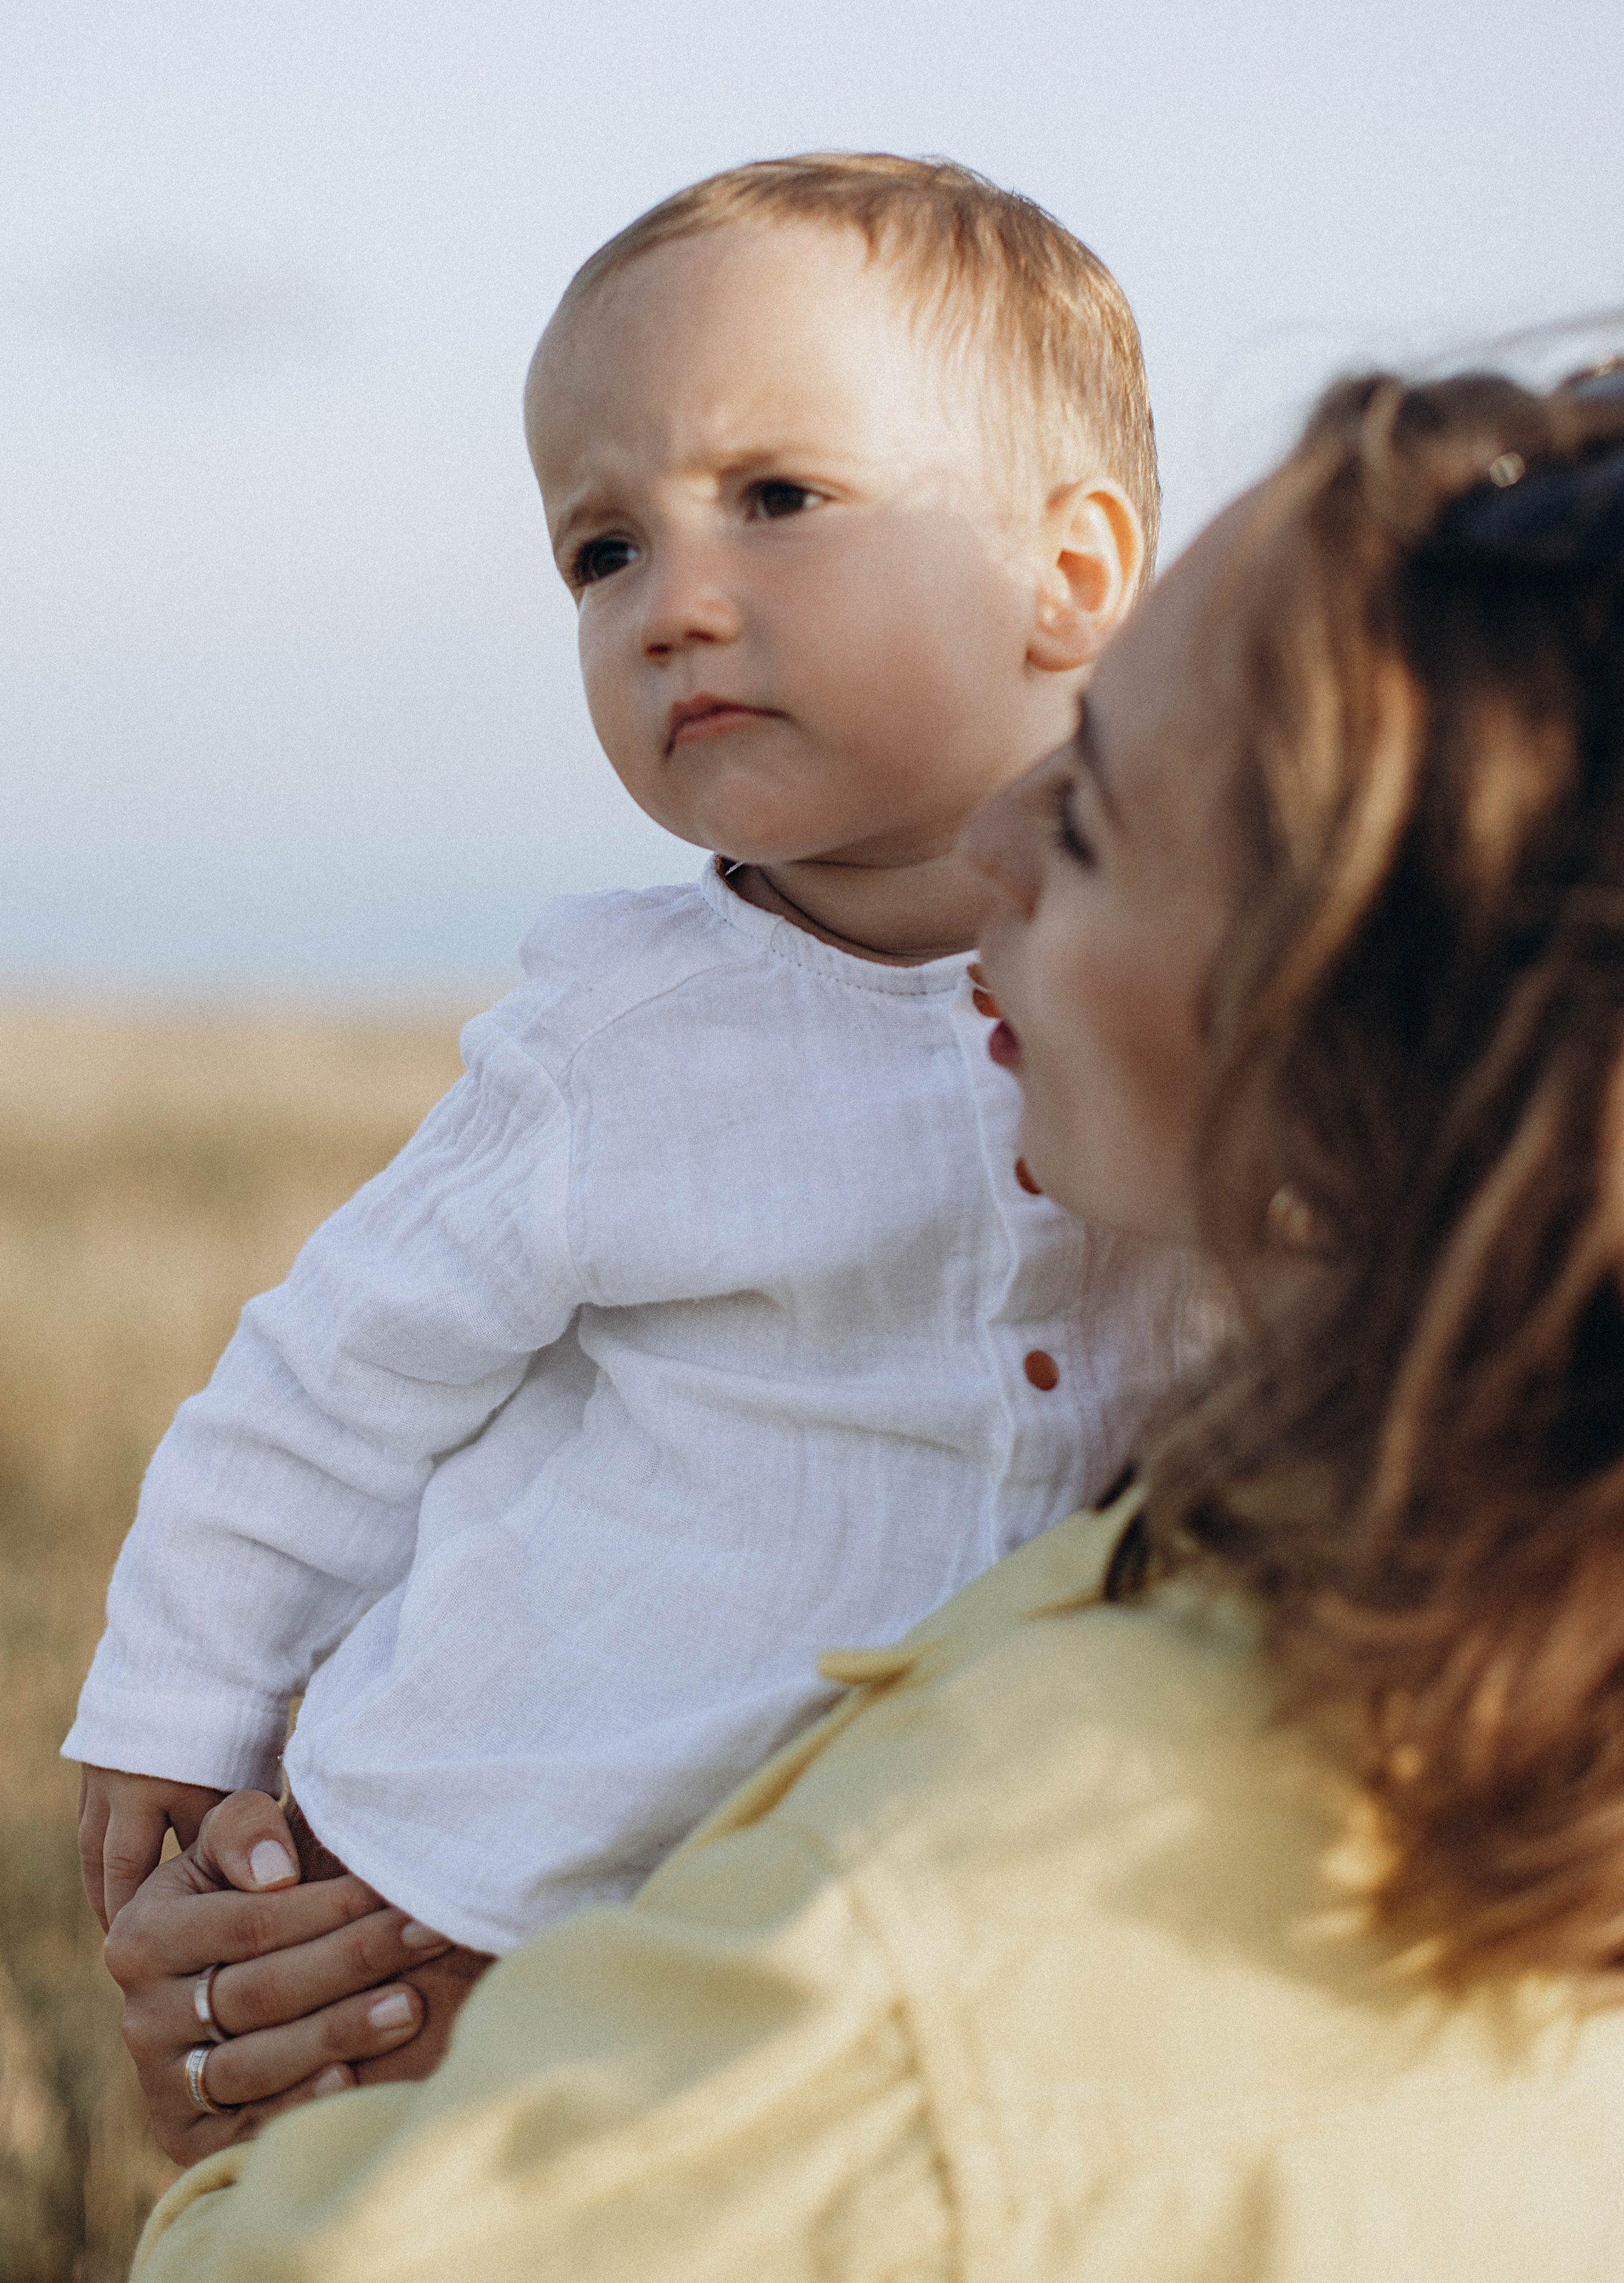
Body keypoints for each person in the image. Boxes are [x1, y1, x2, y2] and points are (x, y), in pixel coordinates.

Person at [121, 354, 1624, 2278]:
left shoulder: (932, 1949)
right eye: (603, 548)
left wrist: (259, 2134)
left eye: (1089, 821)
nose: (992, 844)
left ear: (1357, 1017)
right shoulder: (1385, 1596)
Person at [65, 154, 1195, 2093]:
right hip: (532, 1846)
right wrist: (183, 1694)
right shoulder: (625, 1034)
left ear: (1068, 574)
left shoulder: (1236, 956)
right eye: (602, 551)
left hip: (972, 1858)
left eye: (777, 500)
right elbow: (332, 1381)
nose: (674, 605)